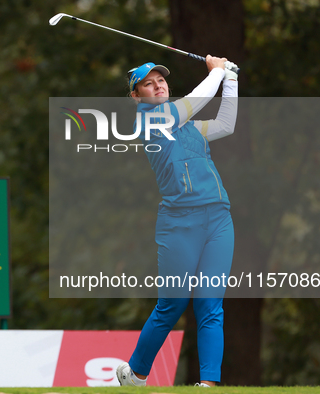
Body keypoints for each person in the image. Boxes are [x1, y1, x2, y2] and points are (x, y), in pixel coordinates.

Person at [115, 55, 239, 387]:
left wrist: (231, 81)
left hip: (218, 219)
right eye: (148, 83)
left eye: (161, 80)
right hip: (179, 223)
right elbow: (193, 102)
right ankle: (136, 374)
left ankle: (209, 384)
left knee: (210, 303)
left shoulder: (185, 125)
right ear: (137, 97)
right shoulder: (152, 121)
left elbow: (225, 124)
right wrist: (217, 72)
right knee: (173, 303)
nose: (158, 86)